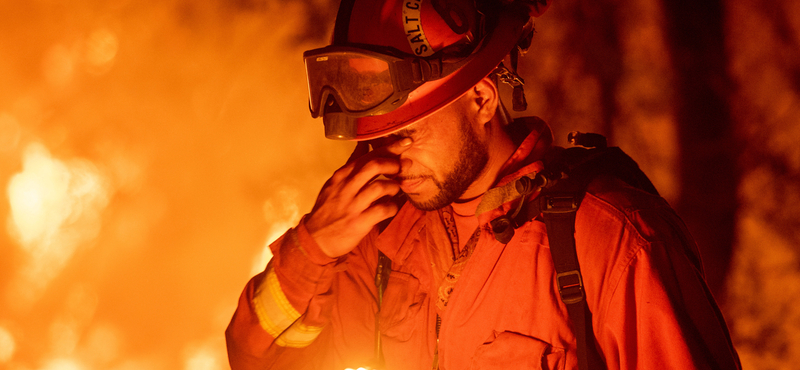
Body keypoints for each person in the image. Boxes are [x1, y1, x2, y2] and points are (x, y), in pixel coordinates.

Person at [226, 0, 742, 369]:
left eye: (406, 134)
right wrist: (313, 248)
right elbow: (259, 361)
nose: (386, 160)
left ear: (481, 98)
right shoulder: (387, 245)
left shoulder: (612, 243)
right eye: (375, 140)